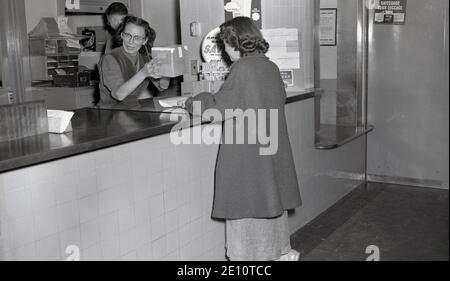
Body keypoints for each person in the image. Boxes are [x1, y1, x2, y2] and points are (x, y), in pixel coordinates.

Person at [183, 17, 302, 261]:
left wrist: (193, 100)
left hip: (247, 164)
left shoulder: (243, 69)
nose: (224, 50)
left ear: (237, 43)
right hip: (269, 156)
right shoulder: (269, 67)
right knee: (270, 219)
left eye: (226, 44)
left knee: (247, 240)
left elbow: (214, 109)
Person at [98, 16, 169, 105]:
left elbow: (162, 86)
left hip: (132, 111)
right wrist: (143, 73)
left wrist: (167, 66)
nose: (131, 41)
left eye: (137, 37)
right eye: (128, 35)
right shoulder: (110, 59)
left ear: (144, 41)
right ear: (121, 35)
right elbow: (118, 95)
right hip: (110, 112)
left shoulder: (144, 58)